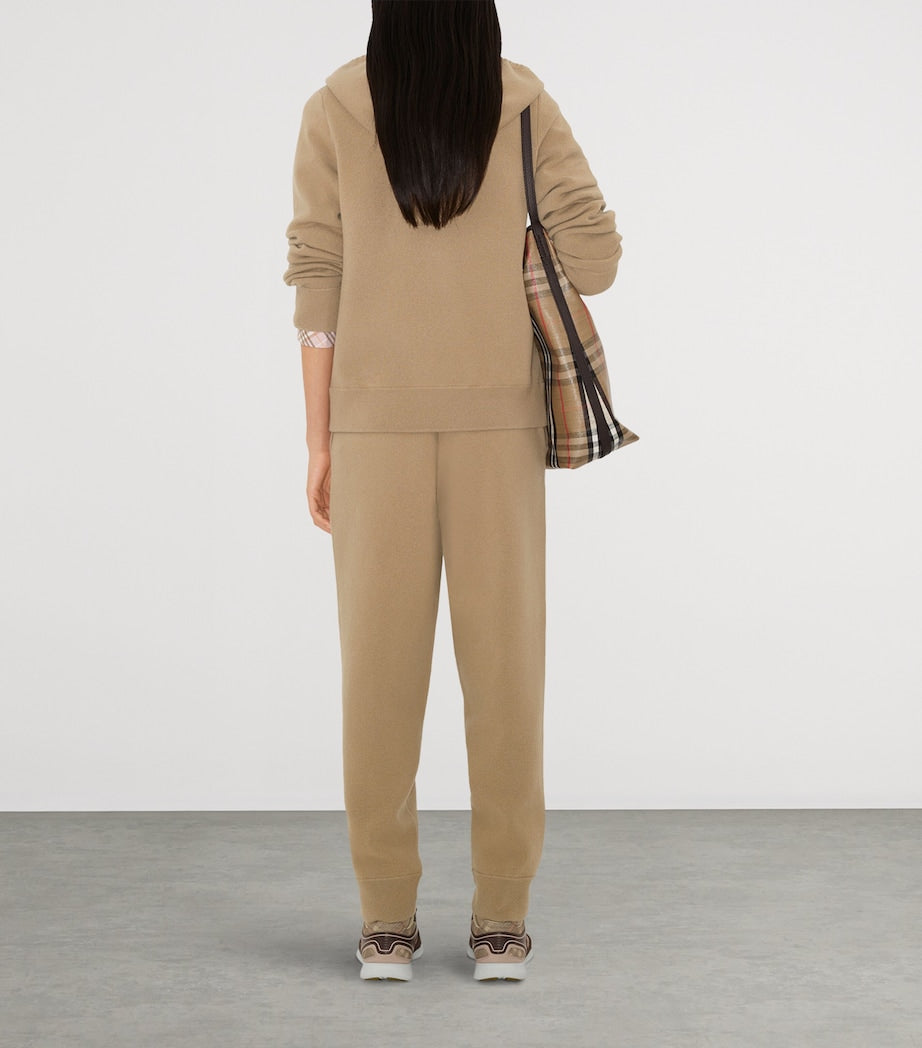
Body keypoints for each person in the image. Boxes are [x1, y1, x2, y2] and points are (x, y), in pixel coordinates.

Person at [282, 0, 622, 983]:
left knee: (375, 683)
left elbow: (316, 280)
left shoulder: (334, 105)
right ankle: (500, 926)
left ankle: (385, 927)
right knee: (506, 679)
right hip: (498, 431)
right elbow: (596, 260)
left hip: (371, 431)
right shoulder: (522, 103)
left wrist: (318, 441)